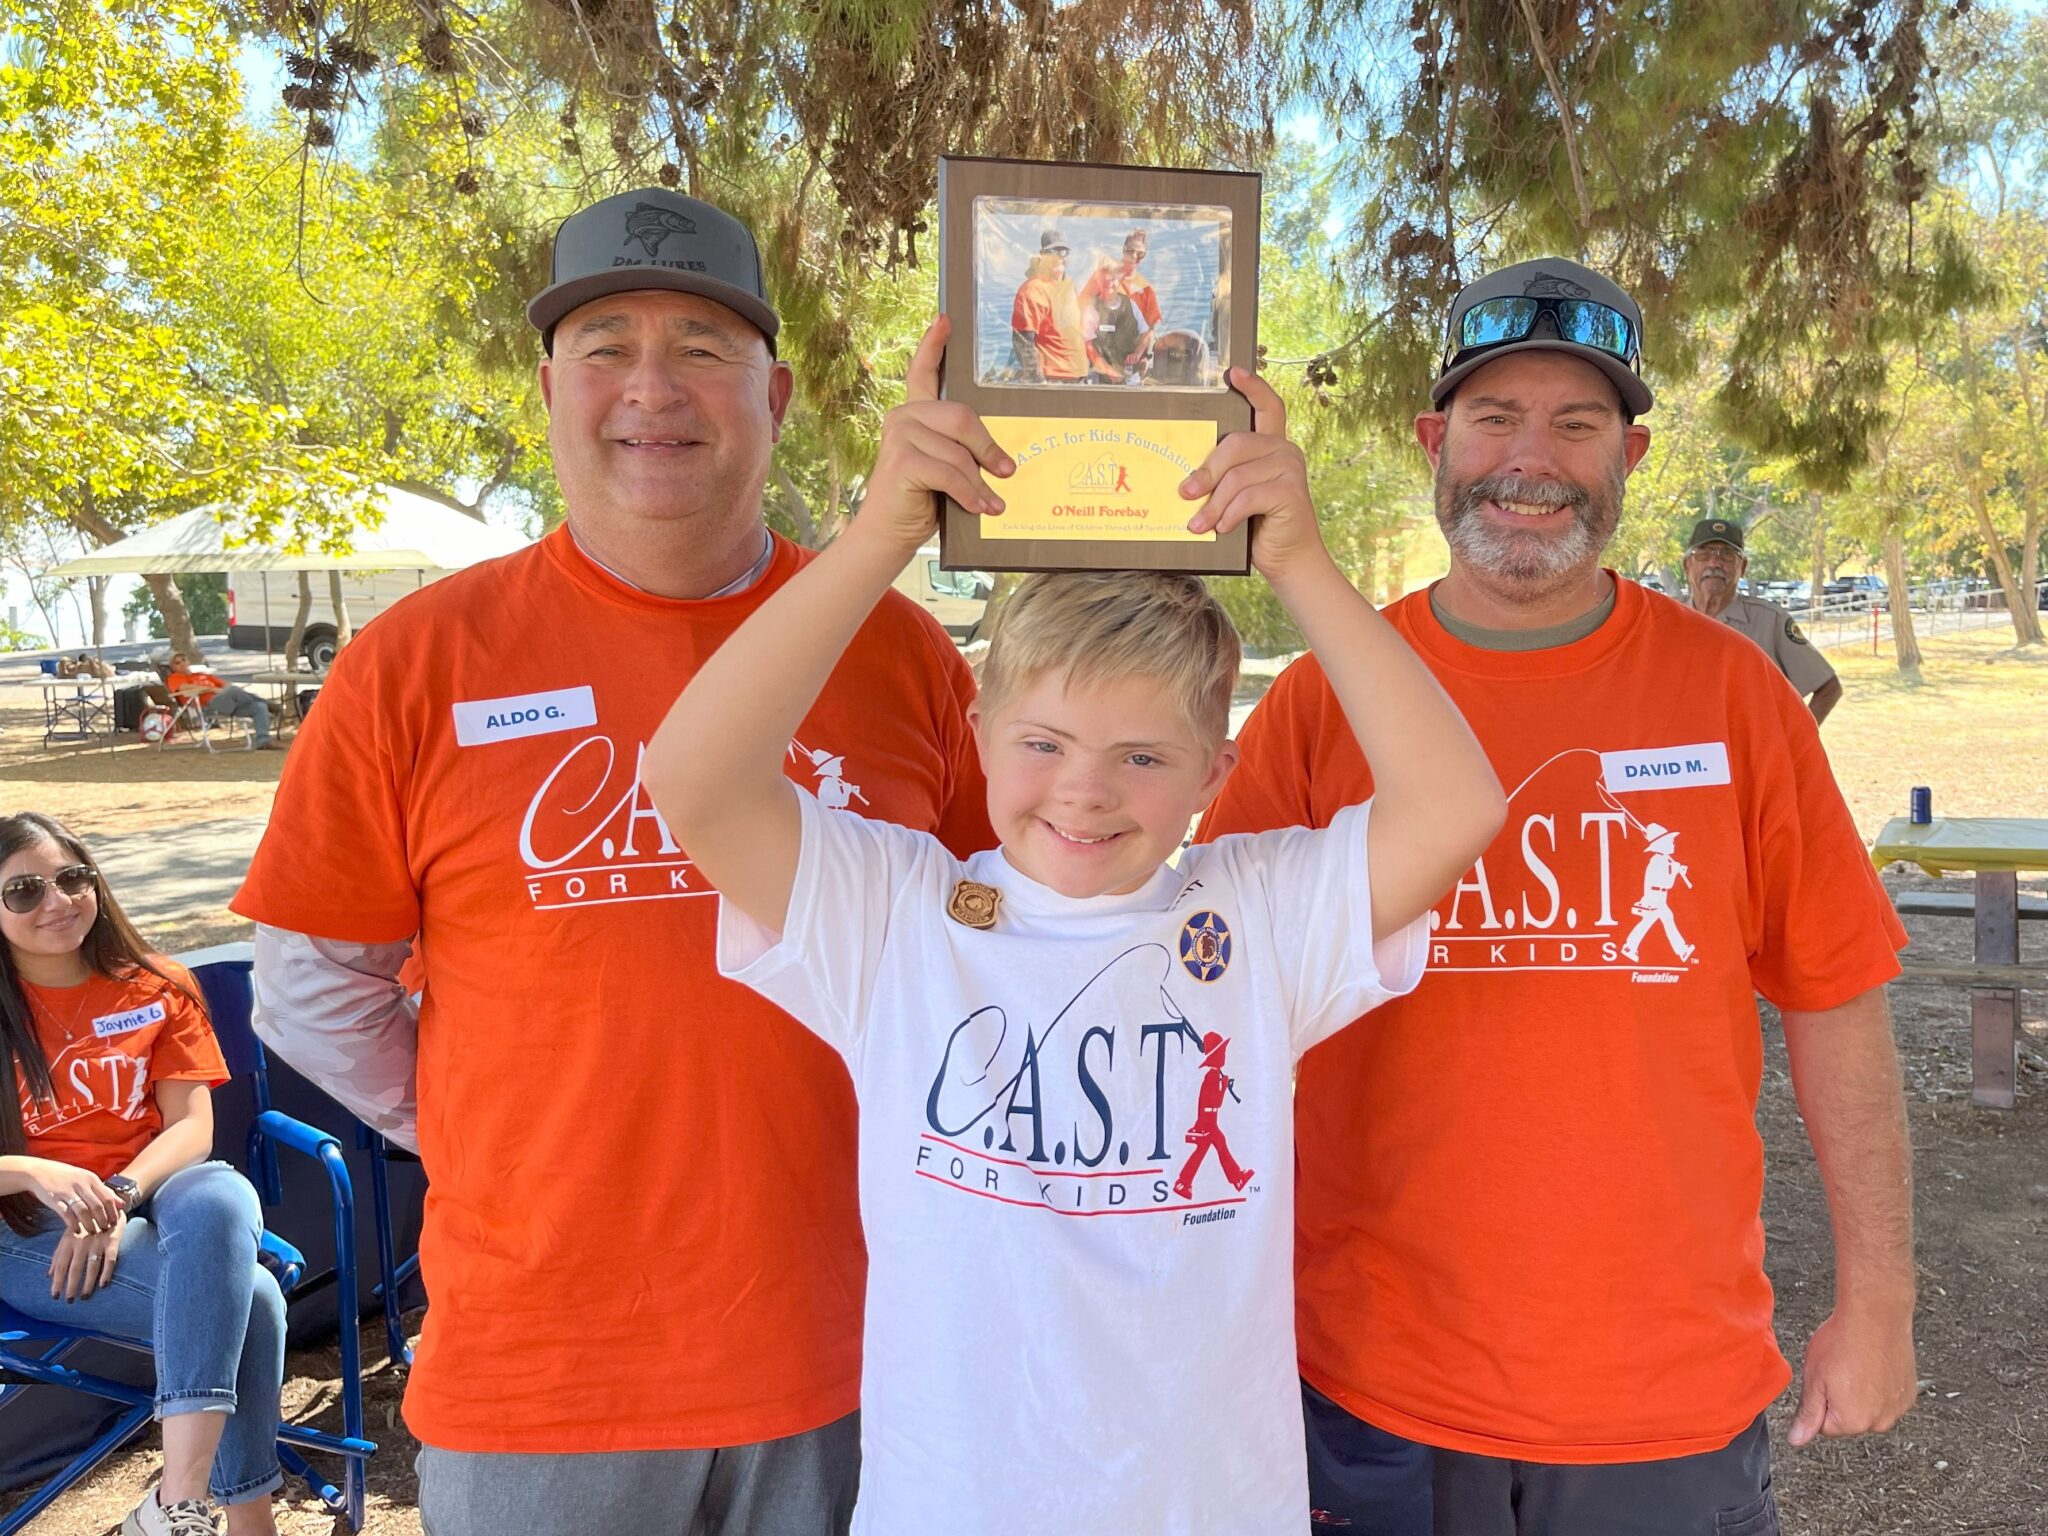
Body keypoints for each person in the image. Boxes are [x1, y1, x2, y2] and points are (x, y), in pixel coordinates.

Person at [640, 315, 1505, 1535]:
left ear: (1215, 772)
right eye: (1041, 744)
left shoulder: (1254, 915)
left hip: (1207, 1508)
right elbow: (692, 780)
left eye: (1143, 756)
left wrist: (1300, 561)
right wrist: (884, 530)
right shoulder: (898, 915)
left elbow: (1456, 807)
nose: (1084, 792)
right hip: (951, 1504)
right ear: (980, 734)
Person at [229, 187, 994, 1536]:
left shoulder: (901, 652)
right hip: (543, 1379)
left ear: (778, 390)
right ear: (548, 387)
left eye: (702, 346)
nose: (653, 388)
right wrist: (501, 1128)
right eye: (606, 346)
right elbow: (311, 990)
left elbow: (993, 942)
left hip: (858, 1360)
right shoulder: (415, 661)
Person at [1201, 258, 1917, 1535]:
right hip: (1375, 1387)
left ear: (1627, 456)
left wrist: (1879, 1302)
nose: (1528, 461)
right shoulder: (1320, 703)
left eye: (1575, 425)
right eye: (1492, 418)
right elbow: (1204, 984)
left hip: (1658, 1394)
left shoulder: (1733, 699)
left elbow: (1835, 1001)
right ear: (1434, 440)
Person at [0, 812, 285, 1536]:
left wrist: (118, 1197)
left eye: (71, 878)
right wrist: (38, 1172)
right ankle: (244, 1518)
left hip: (151, 1198)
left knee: (220, 1190)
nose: (57, 901)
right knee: (248, 1297)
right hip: (29, 1231)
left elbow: (192, 1128)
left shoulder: (157, 984)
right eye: (24, 890)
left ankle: (175, 1503)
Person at [1684, 517, 1843, 723]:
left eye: (1727, 555)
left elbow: (1828, 687)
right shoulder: (1665, 621)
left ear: (1742, 566)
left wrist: (1795, 744)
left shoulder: (1770, 622)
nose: (1714, 563)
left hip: (1748, 751)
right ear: (1687, 565)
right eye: (1703, 554)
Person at [1009, 229, 1088, 383]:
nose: (1058, 257)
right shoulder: (1032, 289)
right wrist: (1037, 381)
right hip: (1053, 380)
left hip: (1079, 378)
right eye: (1052, 251)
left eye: (1063, 251)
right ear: (1042, 254)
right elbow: (1022, 341)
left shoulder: (1069, 284)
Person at [1077, 229, 1161, 374]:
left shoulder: (1146, 290)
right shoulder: (1104, 277)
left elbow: (1150, 330)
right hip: (1100, 360)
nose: (1135, 256)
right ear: (1123, 249)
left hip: (1128, 362)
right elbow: (1081, 307)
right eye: (1130, 251)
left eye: (1140, 254)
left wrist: (1142, 356)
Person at [163, 652, 279, 750]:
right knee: (233, 691)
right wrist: (211, 689)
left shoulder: (202, 675)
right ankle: (268, 704)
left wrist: (221, 689)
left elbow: (226, 684)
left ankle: (263, 742)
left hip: (226, 702)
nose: (182, 663)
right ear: (173, 668)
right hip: (208, 705)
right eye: (177, 663)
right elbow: (184, 688)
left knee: (258, 706)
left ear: (188, 661)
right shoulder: (174, 678)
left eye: (184, 660)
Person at [1080, 259, 1148, 383]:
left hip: (1131, 378)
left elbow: (1146, 333)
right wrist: (1107, 370)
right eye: (1105, 281)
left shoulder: (1130, 304)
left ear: (1119, 280)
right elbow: (1088, 346)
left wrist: (1137, 354)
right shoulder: (1091, 309)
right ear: (1098, 283)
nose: (1109, 284)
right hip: (1101, 381)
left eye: (1113, 280)